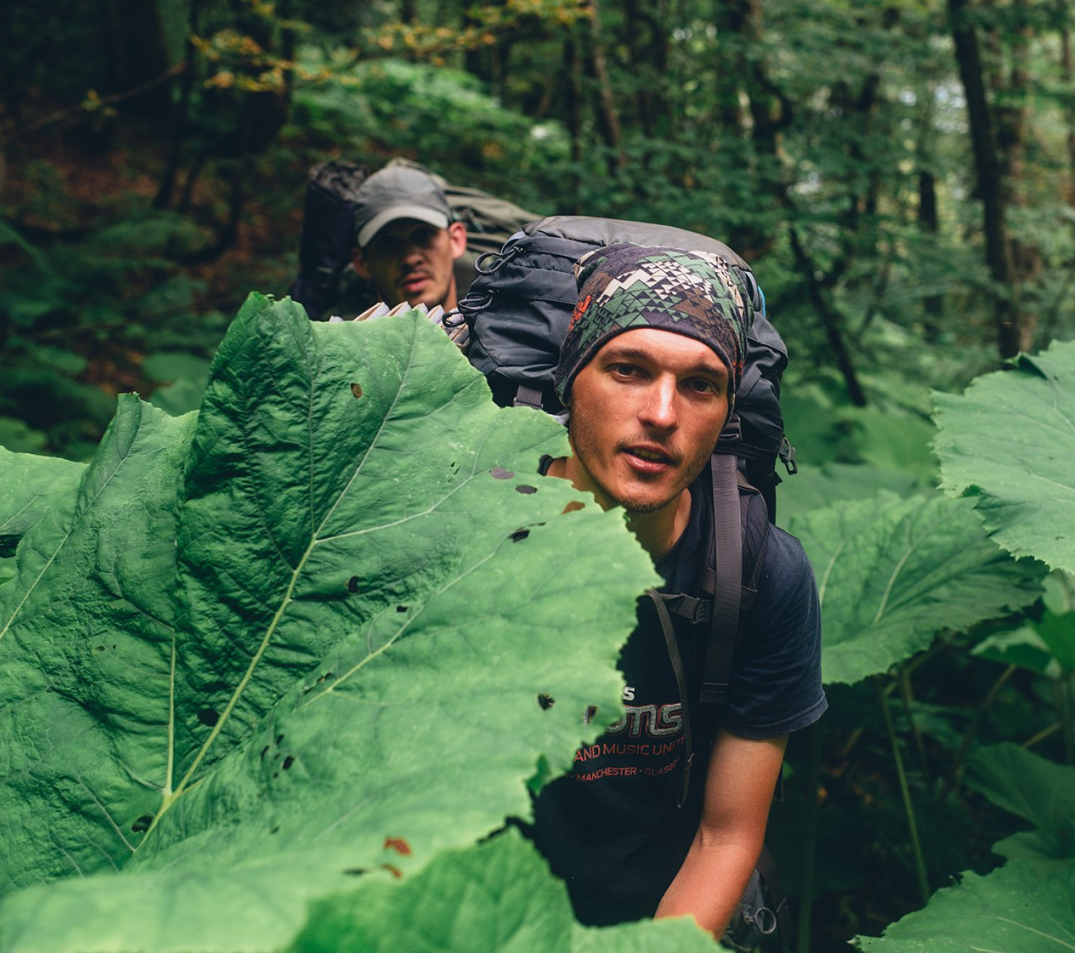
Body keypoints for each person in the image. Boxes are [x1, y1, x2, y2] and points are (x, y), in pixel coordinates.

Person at [526, 244, 826, 940]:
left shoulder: (759, 575)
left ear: (726, 409)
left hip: (664, 913)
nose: (662, 413)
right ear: (571, 378)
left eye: (700, 384)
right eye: (628, 369)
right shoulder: (470, 535)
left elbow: (725, 836)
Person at [347, 163, 468, 312]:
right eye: (388, 244)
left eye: (423, 235)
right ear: (361, 263)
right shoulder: (338, 334)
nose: (410, 259)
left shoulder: (495, 328)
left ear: (456, 240)